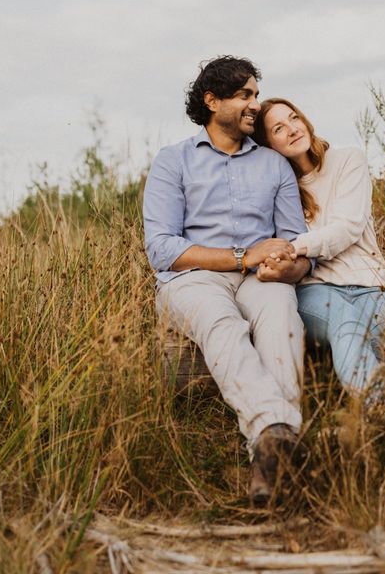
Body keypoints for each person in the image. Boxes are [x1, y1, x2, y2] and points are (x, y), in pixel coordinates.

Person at [143, 57, 312, 505]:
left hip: (262, 277)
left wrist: (291, 267)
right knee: (221, 322)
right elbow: (161, 248)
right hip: (195, 278)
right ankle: (277, 431)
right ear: (212, 101)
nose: (254, 103)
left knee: (280, 314)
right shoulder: (172, 161)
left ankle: (272, 459)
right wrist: (242, 256)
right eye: (244, 95)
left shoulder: (274, 167)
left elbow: (297, 243)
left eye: (256, 94)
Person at [253, 98, 385, 399]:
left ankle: (379, 414)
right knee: (346, 323)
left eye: (294, 118)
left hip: (374, 284)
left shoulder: (348, 160)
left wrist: (294, 247)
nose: (292, 129)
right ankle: (382, 412)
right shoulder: (280, 189)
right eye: (279, 128)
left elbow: (348, 228)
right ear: (268, 145)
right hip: (317, 290)